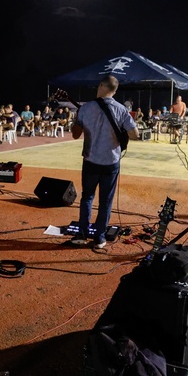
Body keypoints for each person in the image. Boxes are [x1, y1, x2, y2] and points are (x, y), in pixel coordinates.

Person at [66, 75, 139, 249]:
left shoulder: (86, 108)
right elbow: (134, 135)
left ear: (101, 86)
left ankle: (82, 234)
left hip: (91, 159)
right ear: (114, 90)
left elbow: (76, 134)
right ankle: (99, 238)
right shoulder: (122, 110)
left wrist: (76, 123)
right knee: (106, 201)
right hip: (111, 161)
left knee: (87, 197)